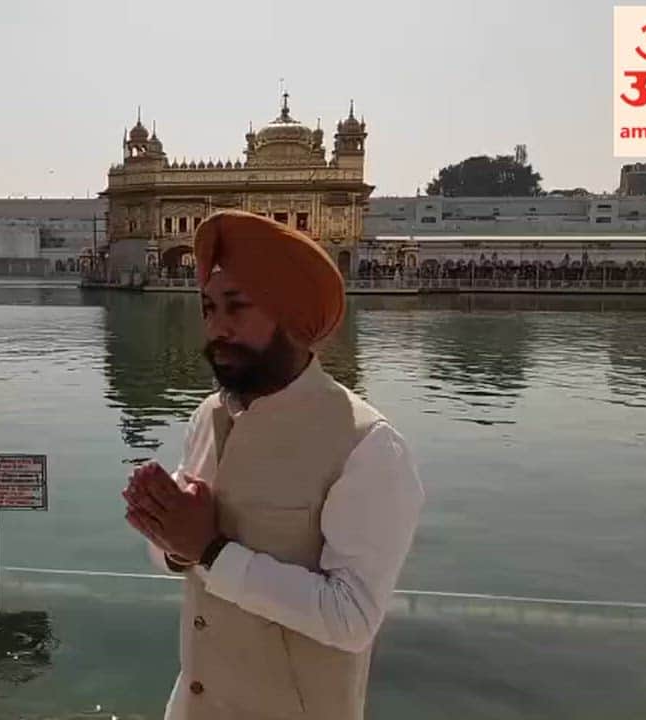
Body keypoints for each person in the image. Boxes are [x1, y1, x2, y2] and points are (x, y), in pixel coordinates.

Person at [123, 210, 424, 720]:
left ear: (292, 316)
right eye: (209, 307)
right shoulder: (210, 415)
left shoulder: (366, 446)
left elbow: (351, 618)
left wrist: (210, 551)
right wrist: (169, 537)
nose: (217, 327)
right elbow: (178, 557)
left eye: (237, 307)